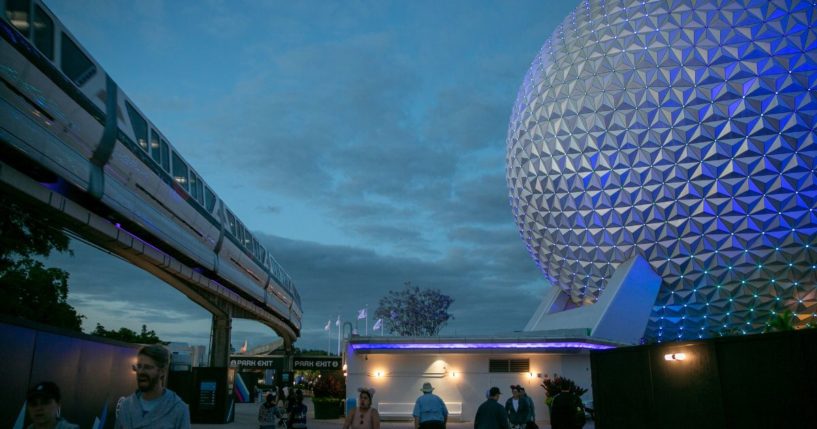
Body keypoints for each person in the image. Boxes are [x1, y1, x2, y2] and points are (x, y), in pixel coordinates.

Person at [115, 344, 191, 429]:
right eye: (139, 366)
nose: (141, 372)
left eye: (147, 367)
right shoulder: (126, 406)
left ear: (162, 371)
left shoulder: (178, 409)